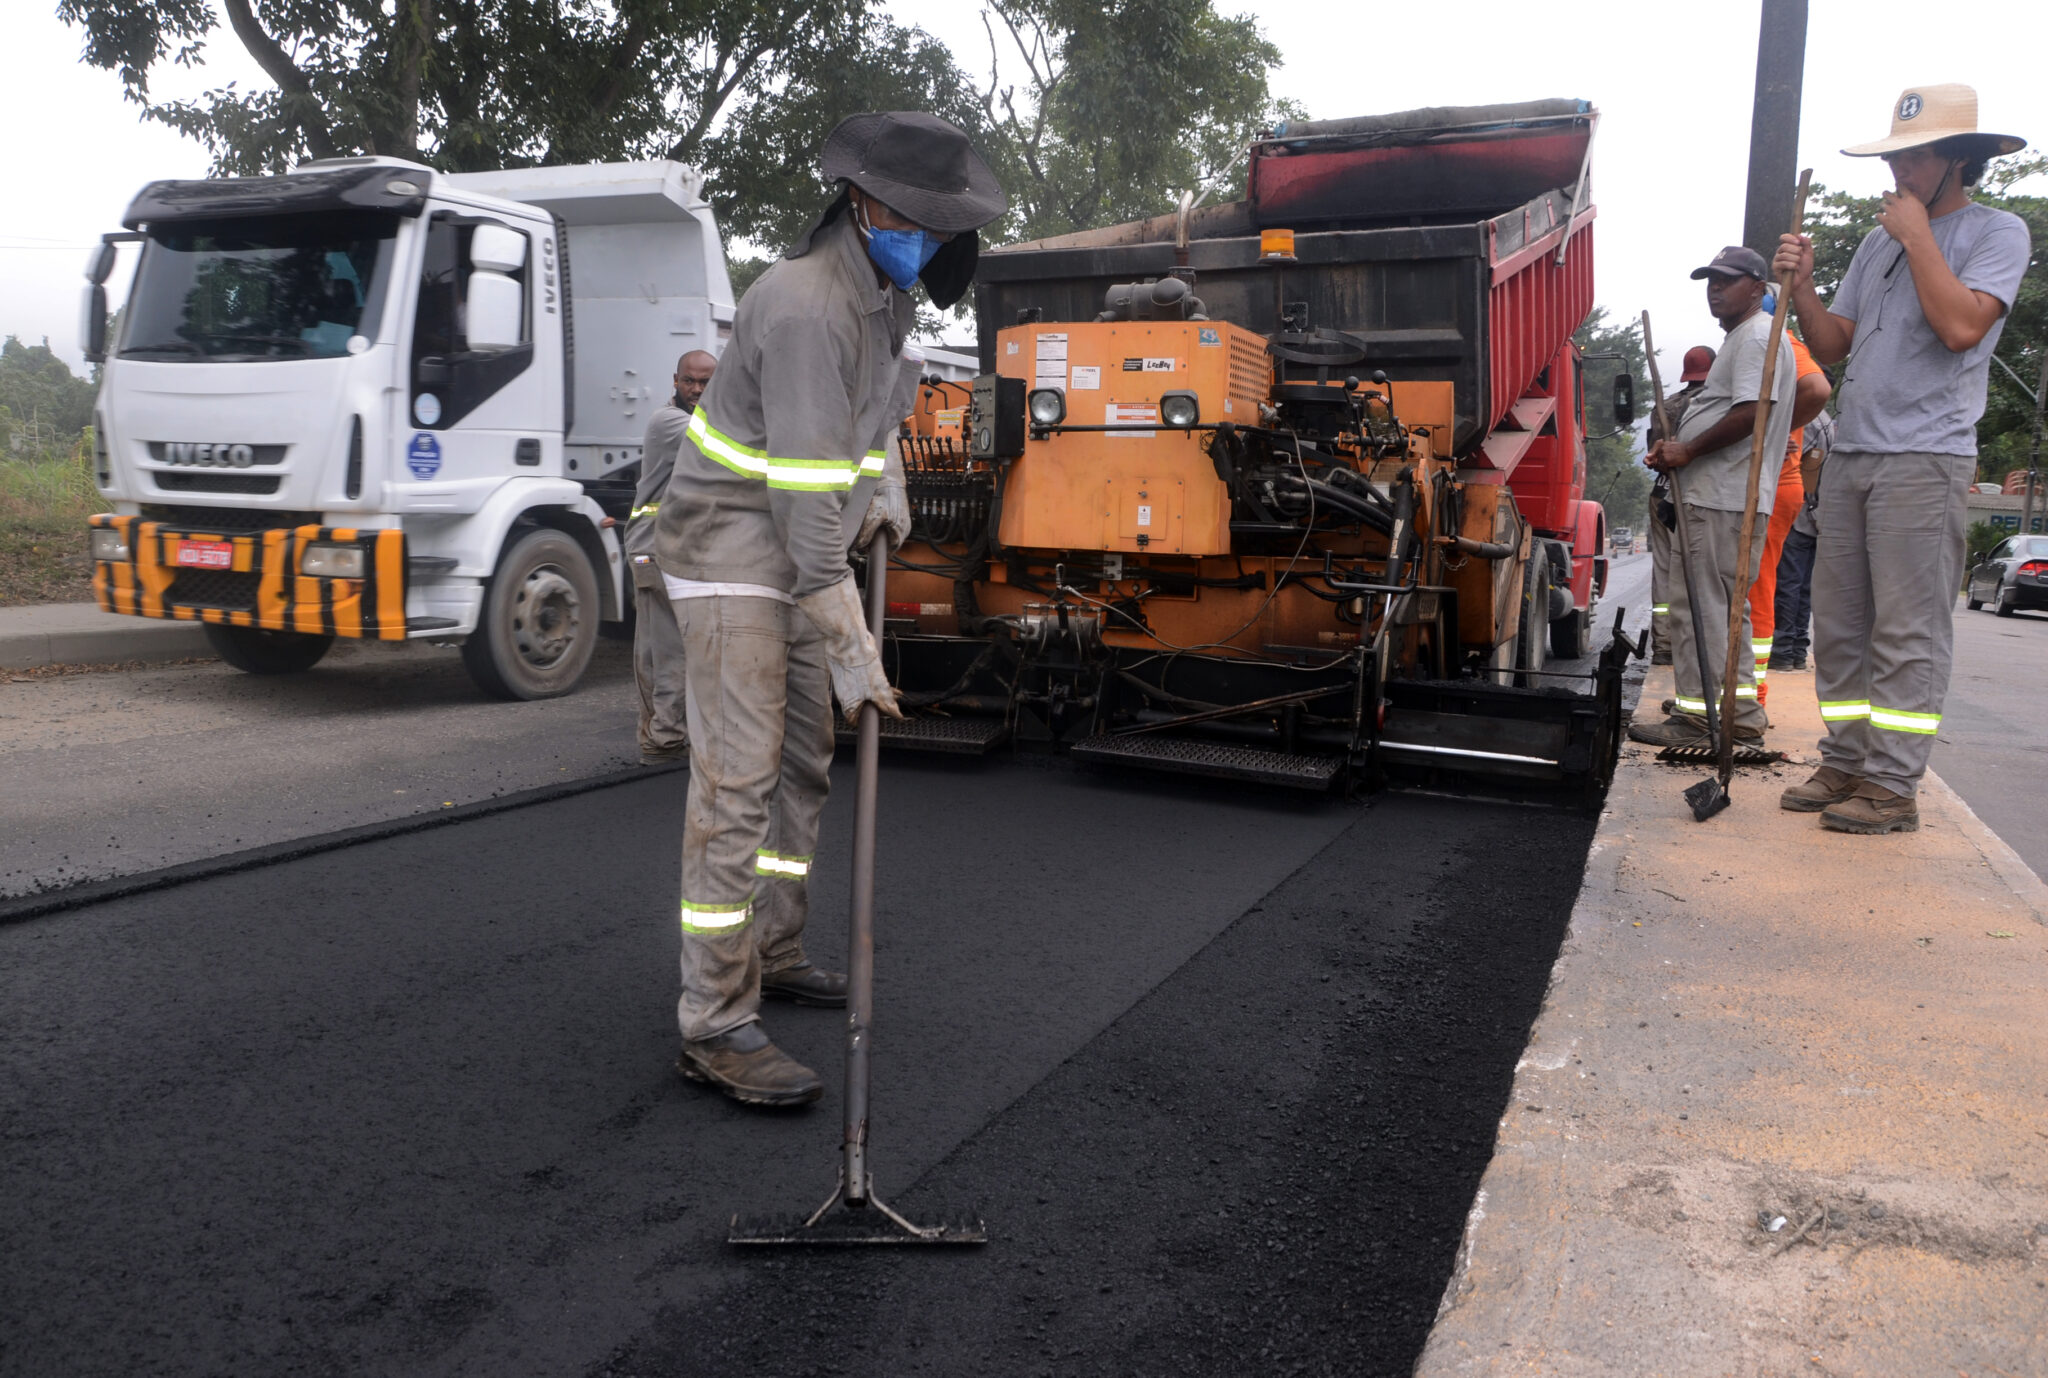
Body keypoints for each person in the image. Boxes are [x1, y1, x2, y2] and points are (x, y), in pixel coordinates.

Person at [650, 111, 1004, 1106]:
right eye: (912, 218)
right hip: (730, 551)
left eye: (938, 224)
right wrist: (850, 637)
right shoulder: (807, 305)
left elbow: (869, 425)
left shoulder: (883, 300)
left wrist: (884, 477)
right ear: (861, 202)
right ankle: (714, 1020)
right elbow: (805, 523)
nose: (926, 238)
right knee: (739, 778)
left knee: (805, 759)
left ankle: (777, 943)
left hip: (796, 548)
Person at [1772, 84, 2030, 834]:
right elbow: (1830, 345)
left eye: (1913, 157)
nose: (1898, 171)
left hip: (1927, 455)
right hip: (1853, 452)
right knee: (1843, 623)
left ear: (1959, 160)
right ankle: (1845, 761)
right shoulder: (1878, 241)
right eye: (1895, 156)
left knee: (1907, 629)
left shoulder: (1997, 231)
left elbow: (1960, 329)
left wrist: (1920, 234)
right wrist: (1806, 282)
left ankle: (1892, 785)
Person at [1629, 245, 1795, 749]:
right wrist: (1680, 450)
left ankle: (1700, 720)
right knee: (1726, 610)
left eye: (1727, 280)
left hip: (1721, 497)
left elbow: (1751, 412)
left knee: (1699, 609)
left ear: (1758, 287)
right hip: (1725, 495)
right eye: (1710, 281)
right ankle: (1739, 716)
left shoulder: (1754, 337)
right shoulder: (1751, 338)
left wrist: (1688, 450)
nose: (1716, 289)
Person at [626, 350, 718, 764]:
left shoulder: (698, 418)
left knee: (675, 646)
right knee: (663, 648)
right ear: (675, 381)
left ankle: (669, 734)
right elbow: (721, 445)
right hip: (652, 549)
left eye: (705, 383)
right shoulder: (671, 422)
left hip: (675, 548)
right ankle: (662, 740)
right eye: (689, 382)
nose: (696, 390)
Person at [1741, 329, 1832, 704]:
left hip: (1784, 497)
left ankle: (1753, 690)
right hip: (1805, 506)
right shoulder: (1826, 422)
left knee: (1771, 586)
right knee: (1792, 586)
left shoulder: (1779, 345)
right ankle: (1788, 654)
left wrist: (1775, 434)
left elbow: (1806, 454)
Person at [1647, 346, 1715, 665]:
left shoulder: (1666, 406)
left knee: (1663, 571)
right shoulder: (1711, 405)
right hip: (1691, 495)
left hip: (1660, 495)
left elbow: (1655, 455)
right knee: (1694, 573)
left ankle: (1663, 646)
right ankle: (1693, 647)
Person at [1768, 409, 1835, 671]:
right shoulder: (1827, 422)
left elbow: (1793, 460)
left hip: (1798, 513)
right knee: (1802, 587)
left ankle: (1783, 649)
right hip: (1816, 515)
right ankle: (1796, 648)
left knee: (1787, 584)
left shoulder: (1804, 422)